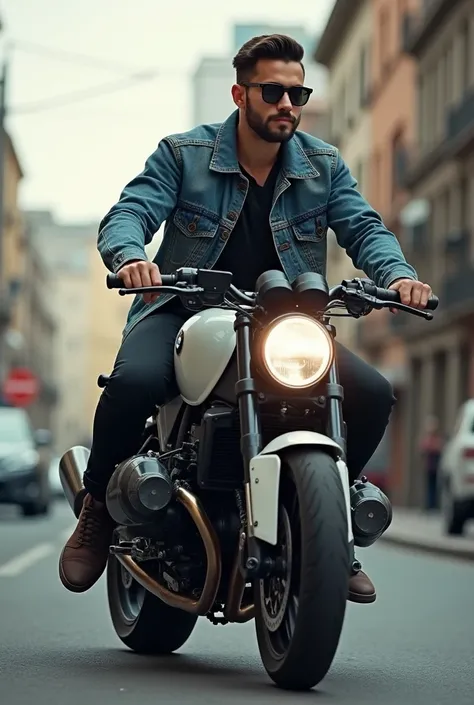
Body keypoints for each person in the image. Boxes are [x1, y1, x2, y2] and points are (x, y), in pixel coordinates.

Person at [59, 34, 433, 603]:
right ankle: (96, 513)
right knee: (133, 383)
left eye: (297, 92)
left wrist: (398, 274)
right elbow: (132, 209)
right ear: (240, 94)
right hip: (182, 309)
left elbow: (364, 227)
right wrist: (131, 256)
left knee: (374, 392)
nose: (288, 103)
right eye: (273, 91)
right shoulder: (184, 155)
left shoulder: (323, 165)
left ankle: (331, 527)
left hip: (281, 322)